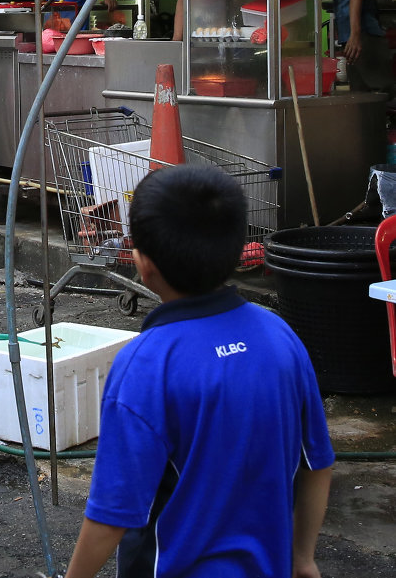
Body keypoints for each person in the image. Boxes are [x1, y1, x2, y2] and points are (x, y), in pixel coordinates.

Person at [64, 165, 333, 578]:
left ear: (144, 265)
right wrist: (303, 558)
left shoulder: (145, 365)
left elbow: (112, 513)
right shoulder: (279, 336)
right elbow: (317, 462)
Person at [327, 0, 392, 96]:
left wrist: (355, 34)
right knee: (359, 94)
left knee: (377, 94)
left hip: (363, 34)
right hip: (350, 35)